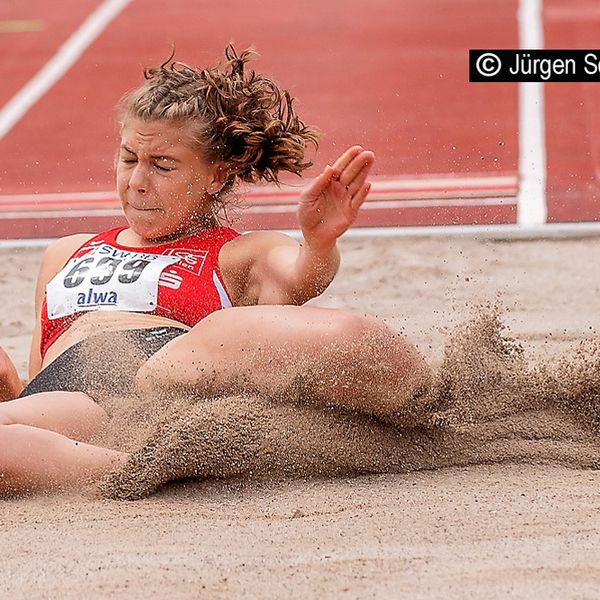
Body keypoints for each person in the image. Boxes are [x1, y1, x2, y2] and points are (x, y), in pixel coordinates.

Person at [0, 46, 432, 496]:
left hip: (180, 361)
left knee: (344, 337)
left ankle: (437, 413)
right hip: (79, 394)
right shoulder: (64, 253)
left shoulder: (237, 254)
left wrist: (319, 243)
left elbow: (300, 276)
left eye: (163, 166)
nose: (137, 182)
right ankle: (149, 463)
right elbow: (39, 368)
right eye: (129, 159)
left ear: (215, 176)